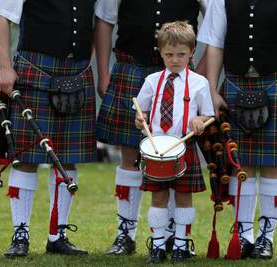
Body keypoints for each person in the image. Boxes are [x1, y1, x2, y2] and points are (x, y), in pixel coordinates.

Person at [94, 0, 209, 256]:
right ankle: (126, 233)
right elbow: (104, 20)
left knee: (175, 154)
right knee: (129, 155)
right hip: (130, 68)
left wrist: (198, 75)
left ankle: (171, 236)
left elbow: (215, 23)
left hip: (179, 71)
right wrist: (103, 73)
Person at [198, 0, 277, 260]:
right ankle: (243, 236)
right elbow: (215, 43)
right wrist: (211, 90)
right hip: (236, 82)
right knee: (239, 163)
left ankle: (266, 238)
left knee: (273, 165)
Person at [0, 0, 98, 257]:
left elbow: (98, 24)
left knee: (67, 158)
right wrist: (5, 67)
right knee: (26, 157)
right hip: (35, 67)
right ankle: (20, 234)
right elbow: (1, 17)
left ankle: (57, 235)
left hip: (76, 70)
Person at [135, 21, 214, 263]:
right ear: (160, 53)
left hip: (183, 145)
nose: (175, 60)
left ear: (191, 53)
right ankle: (158, 245)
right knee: (158, 198)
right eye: (169, 55)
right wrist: (141, 119)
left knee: (183, 197)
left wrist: (200, 121)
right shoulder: (151, 81)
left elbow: (209, 114)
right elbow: (141, 112)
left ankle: (181, 243)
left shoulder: (199, 83)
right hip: (156, 147)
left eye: (181, 54)